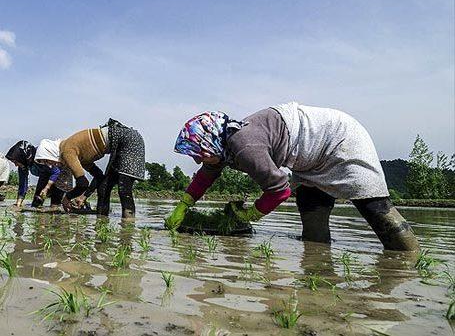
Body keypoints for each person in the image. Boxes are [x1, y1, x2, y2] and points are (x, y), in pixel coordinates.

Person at [165, 102, 420, 251]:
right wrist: (183, 205)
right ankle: (318, 261)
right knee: (310, 208)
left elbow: (279, 190)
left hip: (338, 140)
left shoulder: (243, 145)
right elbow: (206, 175)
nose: (198, 160)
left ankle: (408, 260)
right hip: (309, 160)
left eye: (200, 153)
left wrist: (249, 215)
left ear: (211, 142)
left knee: (372, 205)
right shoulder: (224, 143)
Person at [34, 119, 145, 218]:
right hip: (122, 141)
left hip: (129, 140)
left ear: (50, 154)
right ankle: (102, 219)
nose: (50, 165)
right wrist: (83, 197)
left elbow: (82, 183)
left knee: (124, 188)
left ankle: (128, 226)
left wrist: (66, 198)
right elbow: (99, 176)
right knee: (104, 187)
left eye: (47, 161)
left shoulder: (66, 151)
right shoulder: (80, 156)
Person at [5, 141, 72, 208]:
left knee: (54, 205)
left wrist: (46, 188)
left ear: (22, 157)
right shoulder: (23, 165)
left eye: (16, 162)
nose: (16, 165)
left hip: (61, 173)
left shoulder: (41, 157)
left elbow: (56, 171)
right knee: (36, 204)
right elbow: (23, 184)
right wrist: (18, 204)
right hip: (45, 174)